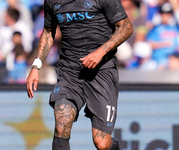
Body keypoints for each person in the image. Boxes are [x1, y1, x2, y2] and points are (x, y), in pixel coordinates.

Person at [26, 0, 133, 149]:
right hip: (69, 72)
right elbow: (48, 32)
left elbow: (126, 27)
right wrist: (36, 65)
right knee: (61, 124)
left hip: (102, 71)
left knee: (102, 143)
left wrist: (100, 52)